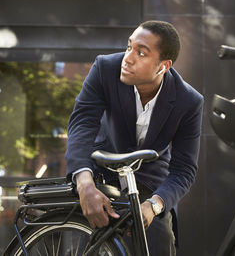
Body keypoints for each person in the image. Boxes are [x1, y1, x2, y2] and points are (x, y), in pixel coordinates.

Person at [66, 20, 204, 256]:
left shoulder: (189, 101)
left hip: (150, 183)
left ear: (163, 66)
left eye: (141, 53)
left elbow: (184, 169)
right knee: (81, 246)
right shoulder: (104, 68)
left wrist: (154, 205)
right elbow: (82, 124)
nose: (128, 58)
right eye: (129, 47)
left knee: (159, 241)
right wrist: (85, 183)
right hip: (99, 172)